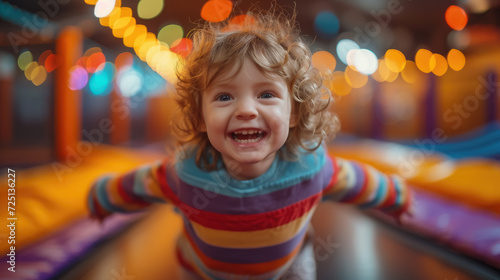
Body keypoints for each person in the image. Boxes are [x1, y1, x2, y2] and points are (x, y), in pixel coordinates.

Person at [87, 6, 412, 280]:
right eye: (224, 96)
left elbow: (357, 181)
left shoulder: (310, 167)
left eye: (266, 94)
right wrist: (103, 198)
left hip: (287, 269)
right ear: (200, 118)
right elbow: (139, 184)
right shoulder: (187, 172)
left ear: (294, 113)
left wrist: (396, 197)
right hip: (203, 271)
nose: (245, 110)